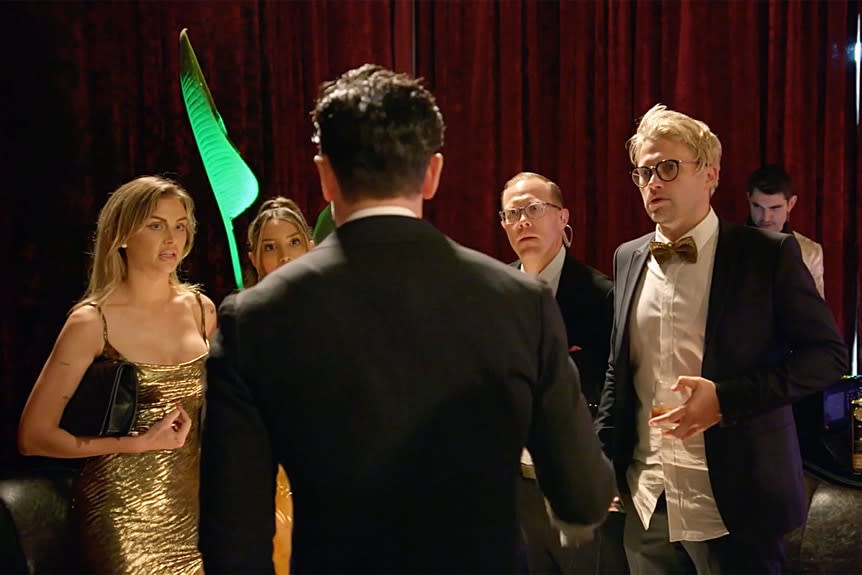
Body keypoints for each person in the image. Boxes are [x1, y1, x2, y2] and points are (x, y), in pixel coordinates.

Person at [198, 63, 615, 574]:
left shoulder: (253, 320)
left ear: (325, 174)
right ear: (433, 172)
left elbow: (232, 543)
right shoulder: (519, 302)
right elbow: (583, 498)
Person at [595, 103, 848, 575]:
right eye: (643, 171)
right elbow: (620, 368)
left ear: (710, 175)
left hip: (736, 499)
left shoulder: (765, 255)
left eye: (668, 167)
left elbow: (828, 356)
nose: (652, 182)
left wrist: (726, 401)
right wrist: (601, 462)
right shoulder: (627, 257)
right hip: (648, 498)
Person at [18, 175, 217, 574]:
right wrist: (135, 444)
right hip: (122, 513)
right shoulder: (93, 322)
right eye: (155, 225)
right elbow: (34, 436)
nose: (171, 238)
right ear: (122, 235)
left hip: (196, 512)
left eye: (180, 226)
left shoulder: (201, 309)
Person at [499, 171, 615, 574]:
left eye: (534, 209)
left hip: (574, 474)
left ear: (563, 217)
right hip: (511, 479)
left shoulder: (600, 295)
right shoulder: (492, 292)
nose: (523, 221)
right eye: (512, 214)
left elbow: (612, 388)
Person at [246, 195, 315, 574]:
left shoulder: (338, 320)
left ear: (312, 248)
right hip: (267, 485)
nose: (285, 257)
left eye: (294, 243)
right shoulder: (240, 327)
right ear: (255, 258)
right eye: (270, 248)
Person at [746, 164, 825, 298]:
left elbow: (816, 314)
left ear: (791, 204)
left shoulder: (810, 252)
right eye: (757, 206)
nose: (765, 217)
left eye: (774, 208)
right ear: (748, 199)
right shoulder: (728, 245)